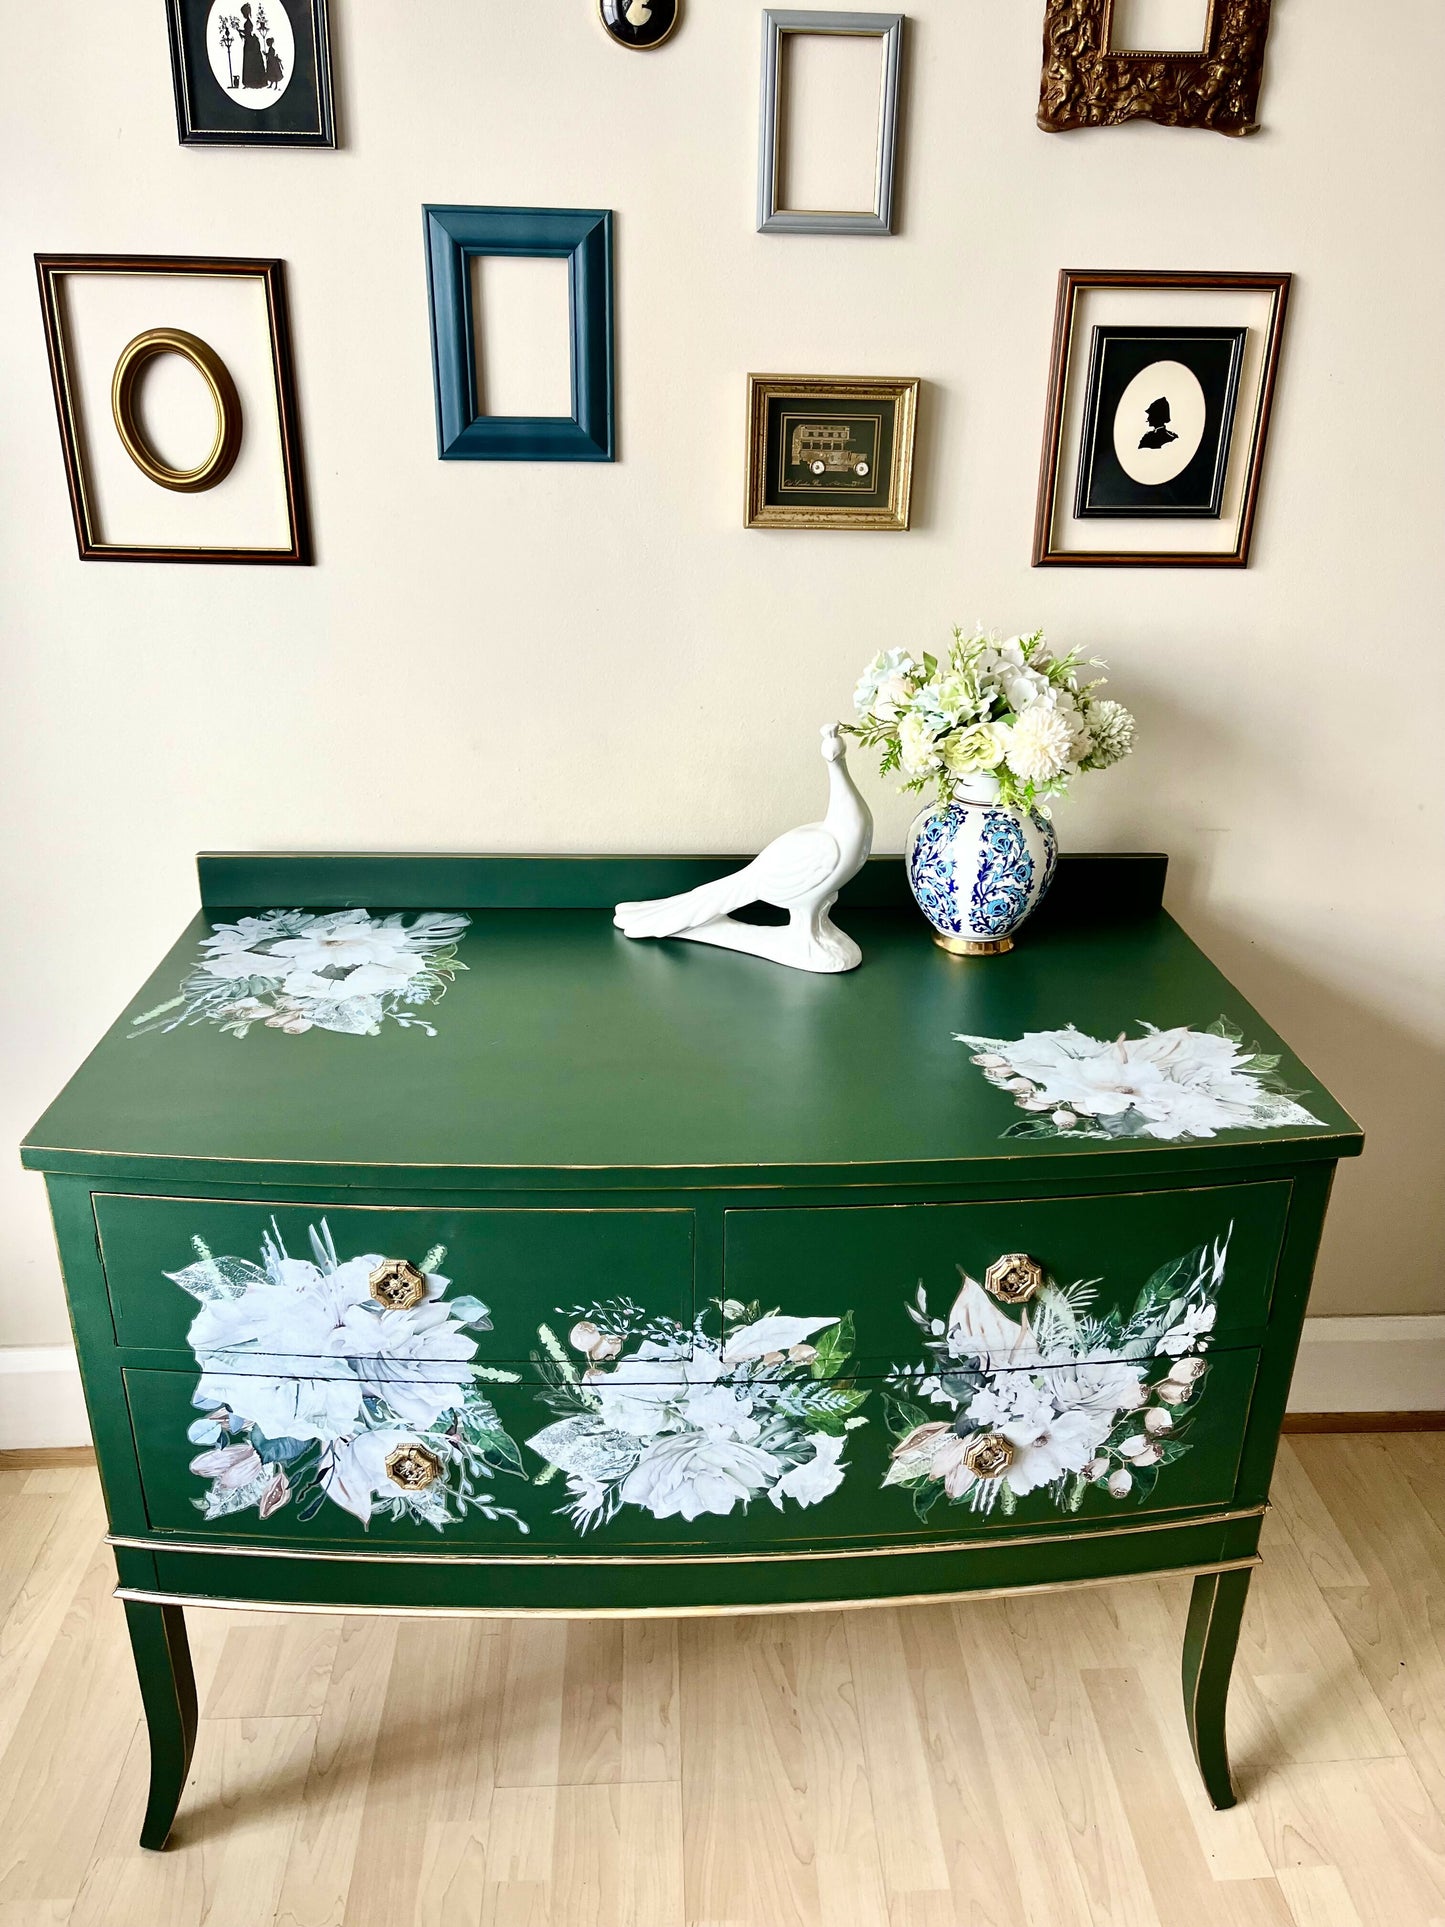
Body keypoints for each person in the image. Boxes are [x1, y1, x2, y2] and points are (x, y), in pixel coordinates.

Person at [238, 4, 266, 90]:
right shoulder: (248, 22)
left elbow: (247, 33)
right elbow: (247, 32)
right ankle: (250, 82)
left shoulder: (248, 22)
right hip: (249, 42)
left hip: (250, 43)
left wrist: (241, 33)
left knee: (250, 61)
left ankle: (251, 81)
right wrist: (240, 31)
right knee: (249, 61)